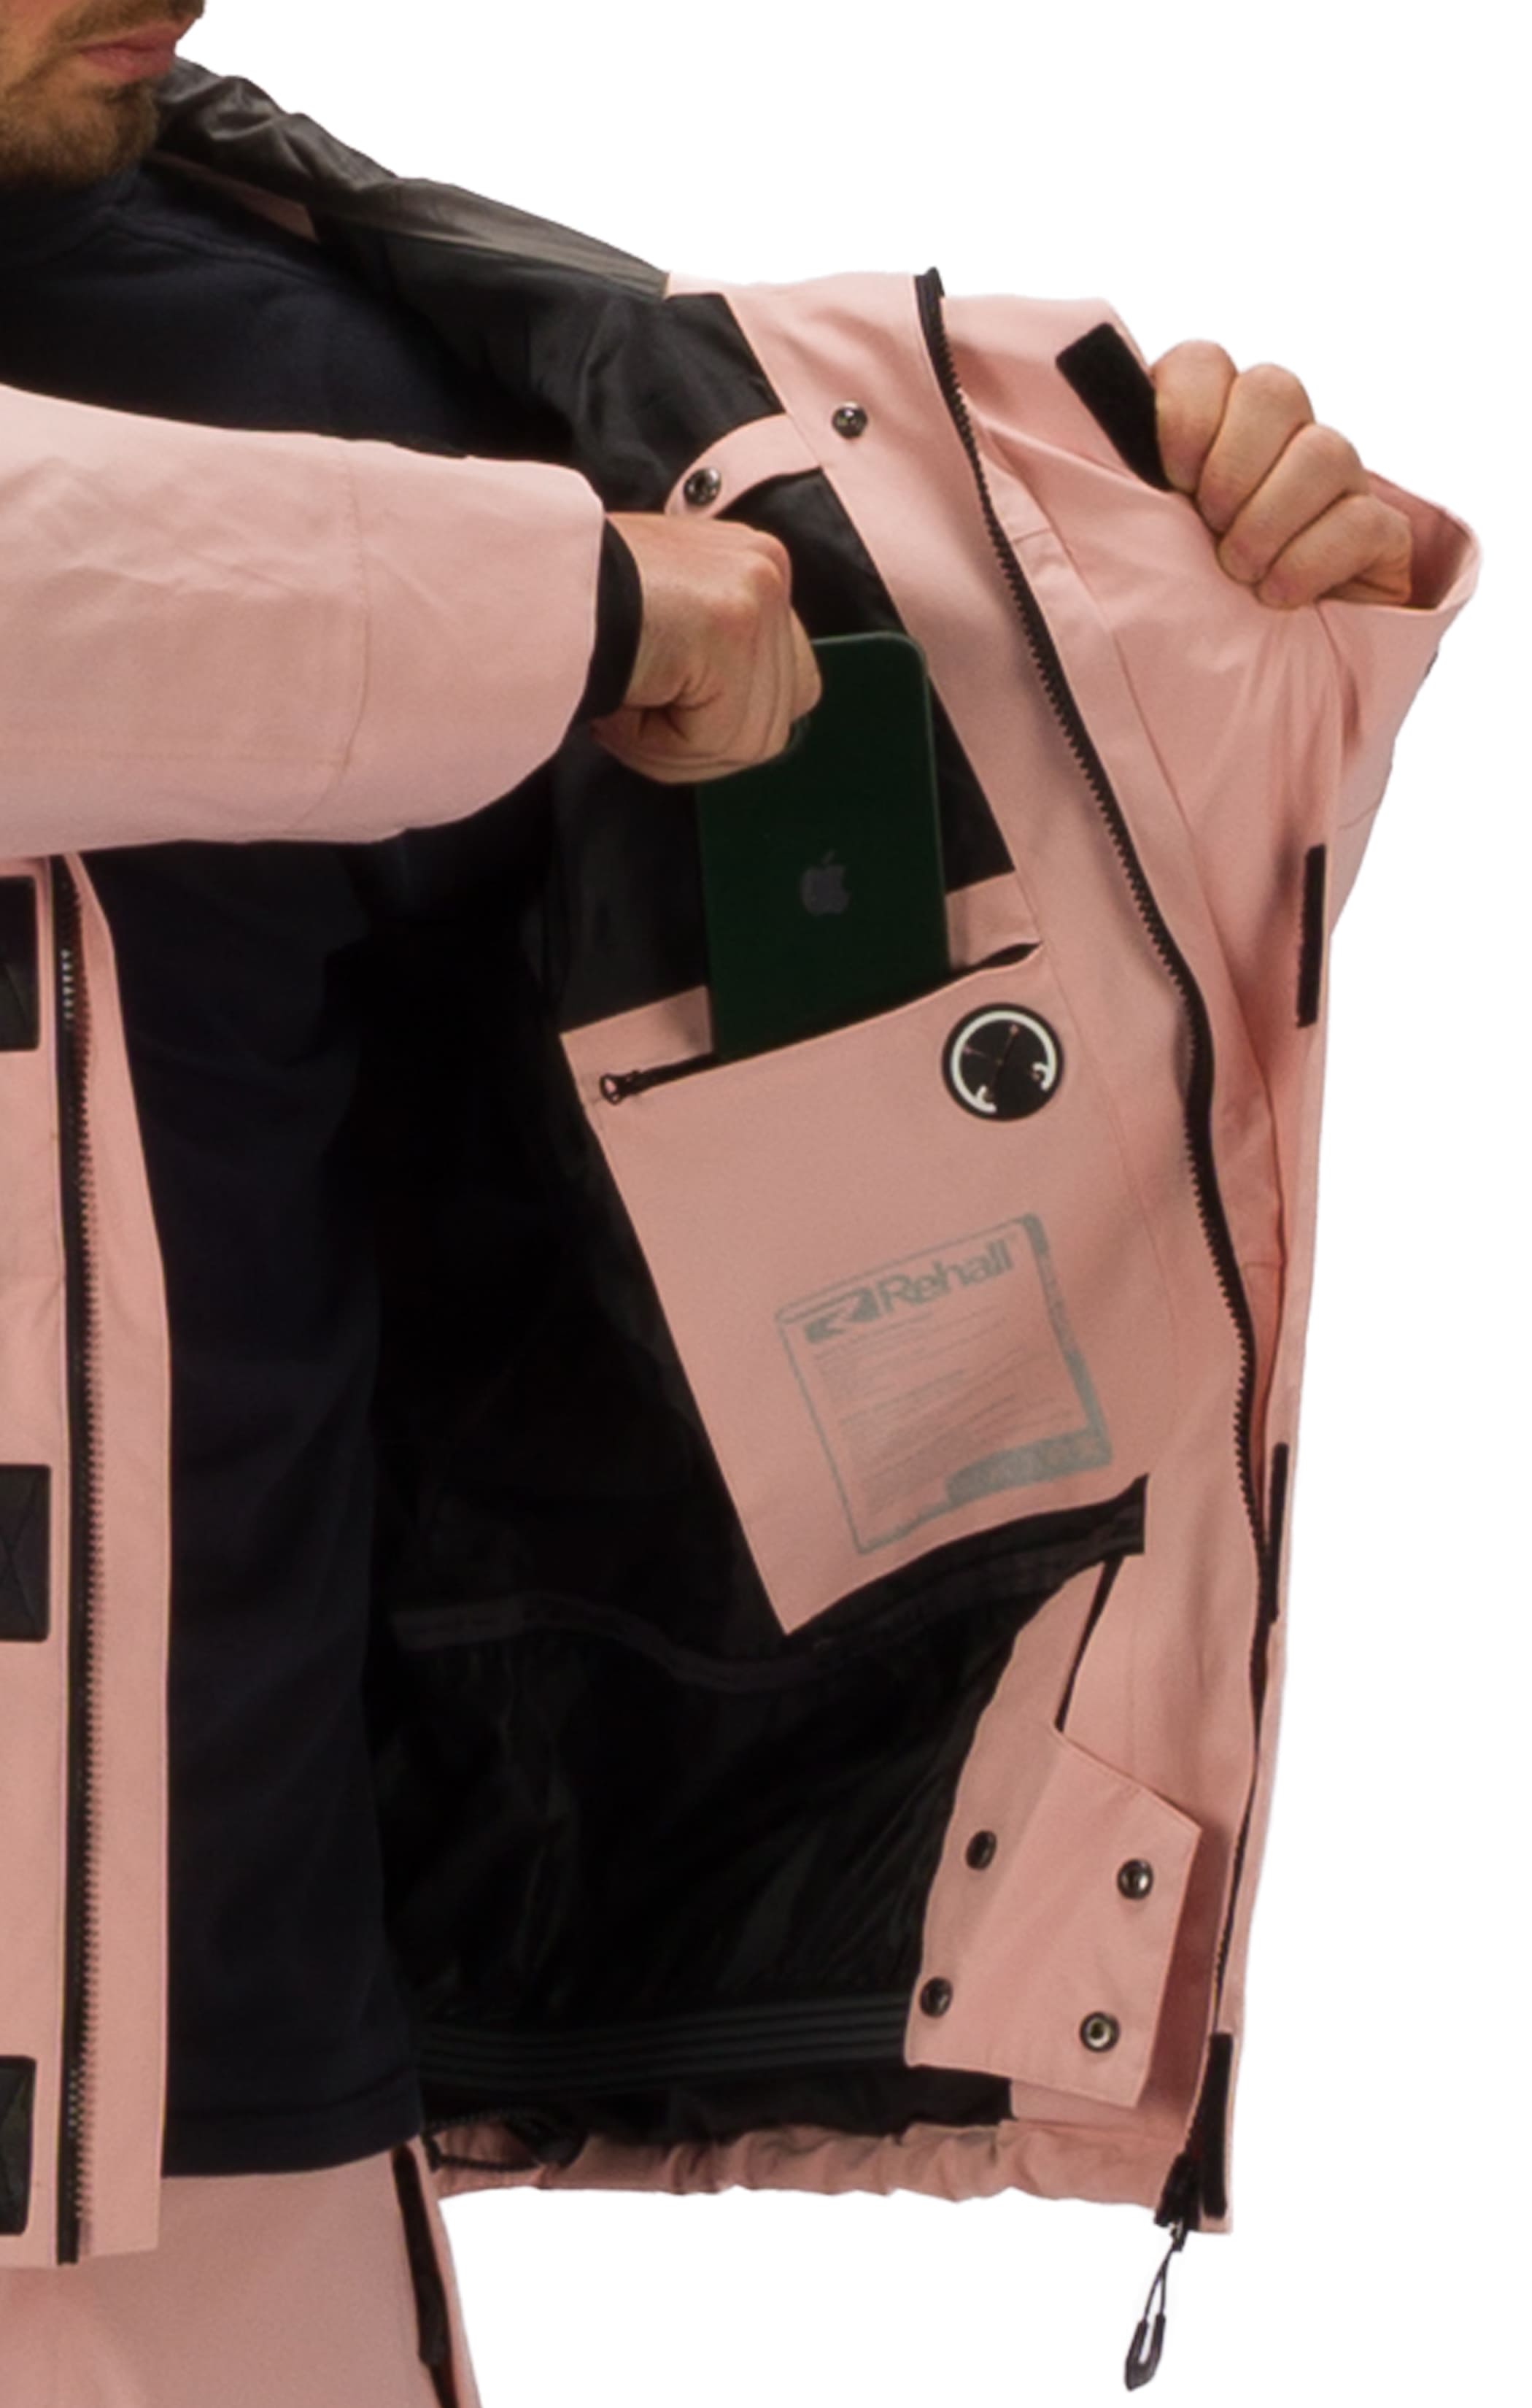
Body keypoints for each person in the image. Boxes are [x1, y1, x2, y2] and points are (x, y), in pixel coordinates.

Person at [0, 4, 1431, 2401]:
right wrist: (560, 604)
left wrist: (1174, 605)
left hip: (218, 2120)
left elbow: (903, 1005)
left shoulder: (324, 364)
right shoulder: (496, 541)